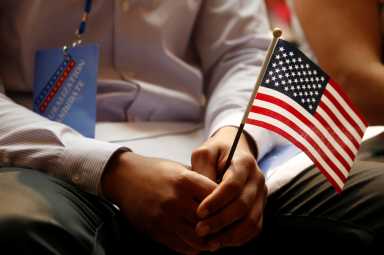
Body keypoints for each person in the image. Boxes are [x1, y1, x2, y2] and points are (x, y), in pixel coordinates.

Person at [0, 1, 384, 254]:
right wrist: (112, 169)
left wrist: (236, 135)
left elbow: (242, 52)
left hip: (203, 144)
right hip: (47, 155)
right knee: (19, 227)